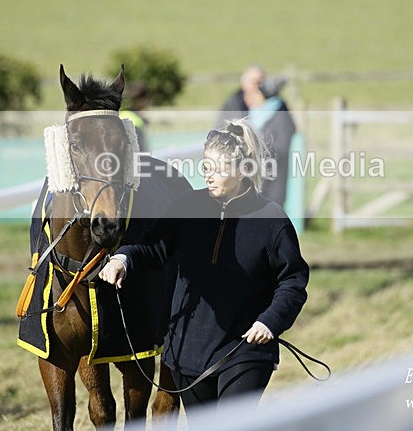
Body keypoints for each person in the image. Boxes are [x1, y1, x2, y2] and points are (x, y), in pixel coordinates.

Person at [99, 118, 309, 409]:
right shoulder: (187, 207)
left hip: (246, 349)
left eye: (219, 169)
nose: (209, 176)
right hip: (188, 351)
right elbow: (152, 246)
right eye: (206, 167)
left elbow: (293, 282)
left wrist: (270, 321)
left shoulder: (272, 219)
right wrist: (123, 258)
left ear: (243, 170)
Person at [217, 65, 296, 207]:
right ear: (244, 83)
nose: (257, 87)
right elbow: (220, 134)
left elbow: (283, 146)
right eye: (254, 82)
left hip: (271, 179)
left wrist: (255, 150)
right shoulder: (233, 104)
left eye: (260, 83)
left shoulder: (279, 112)